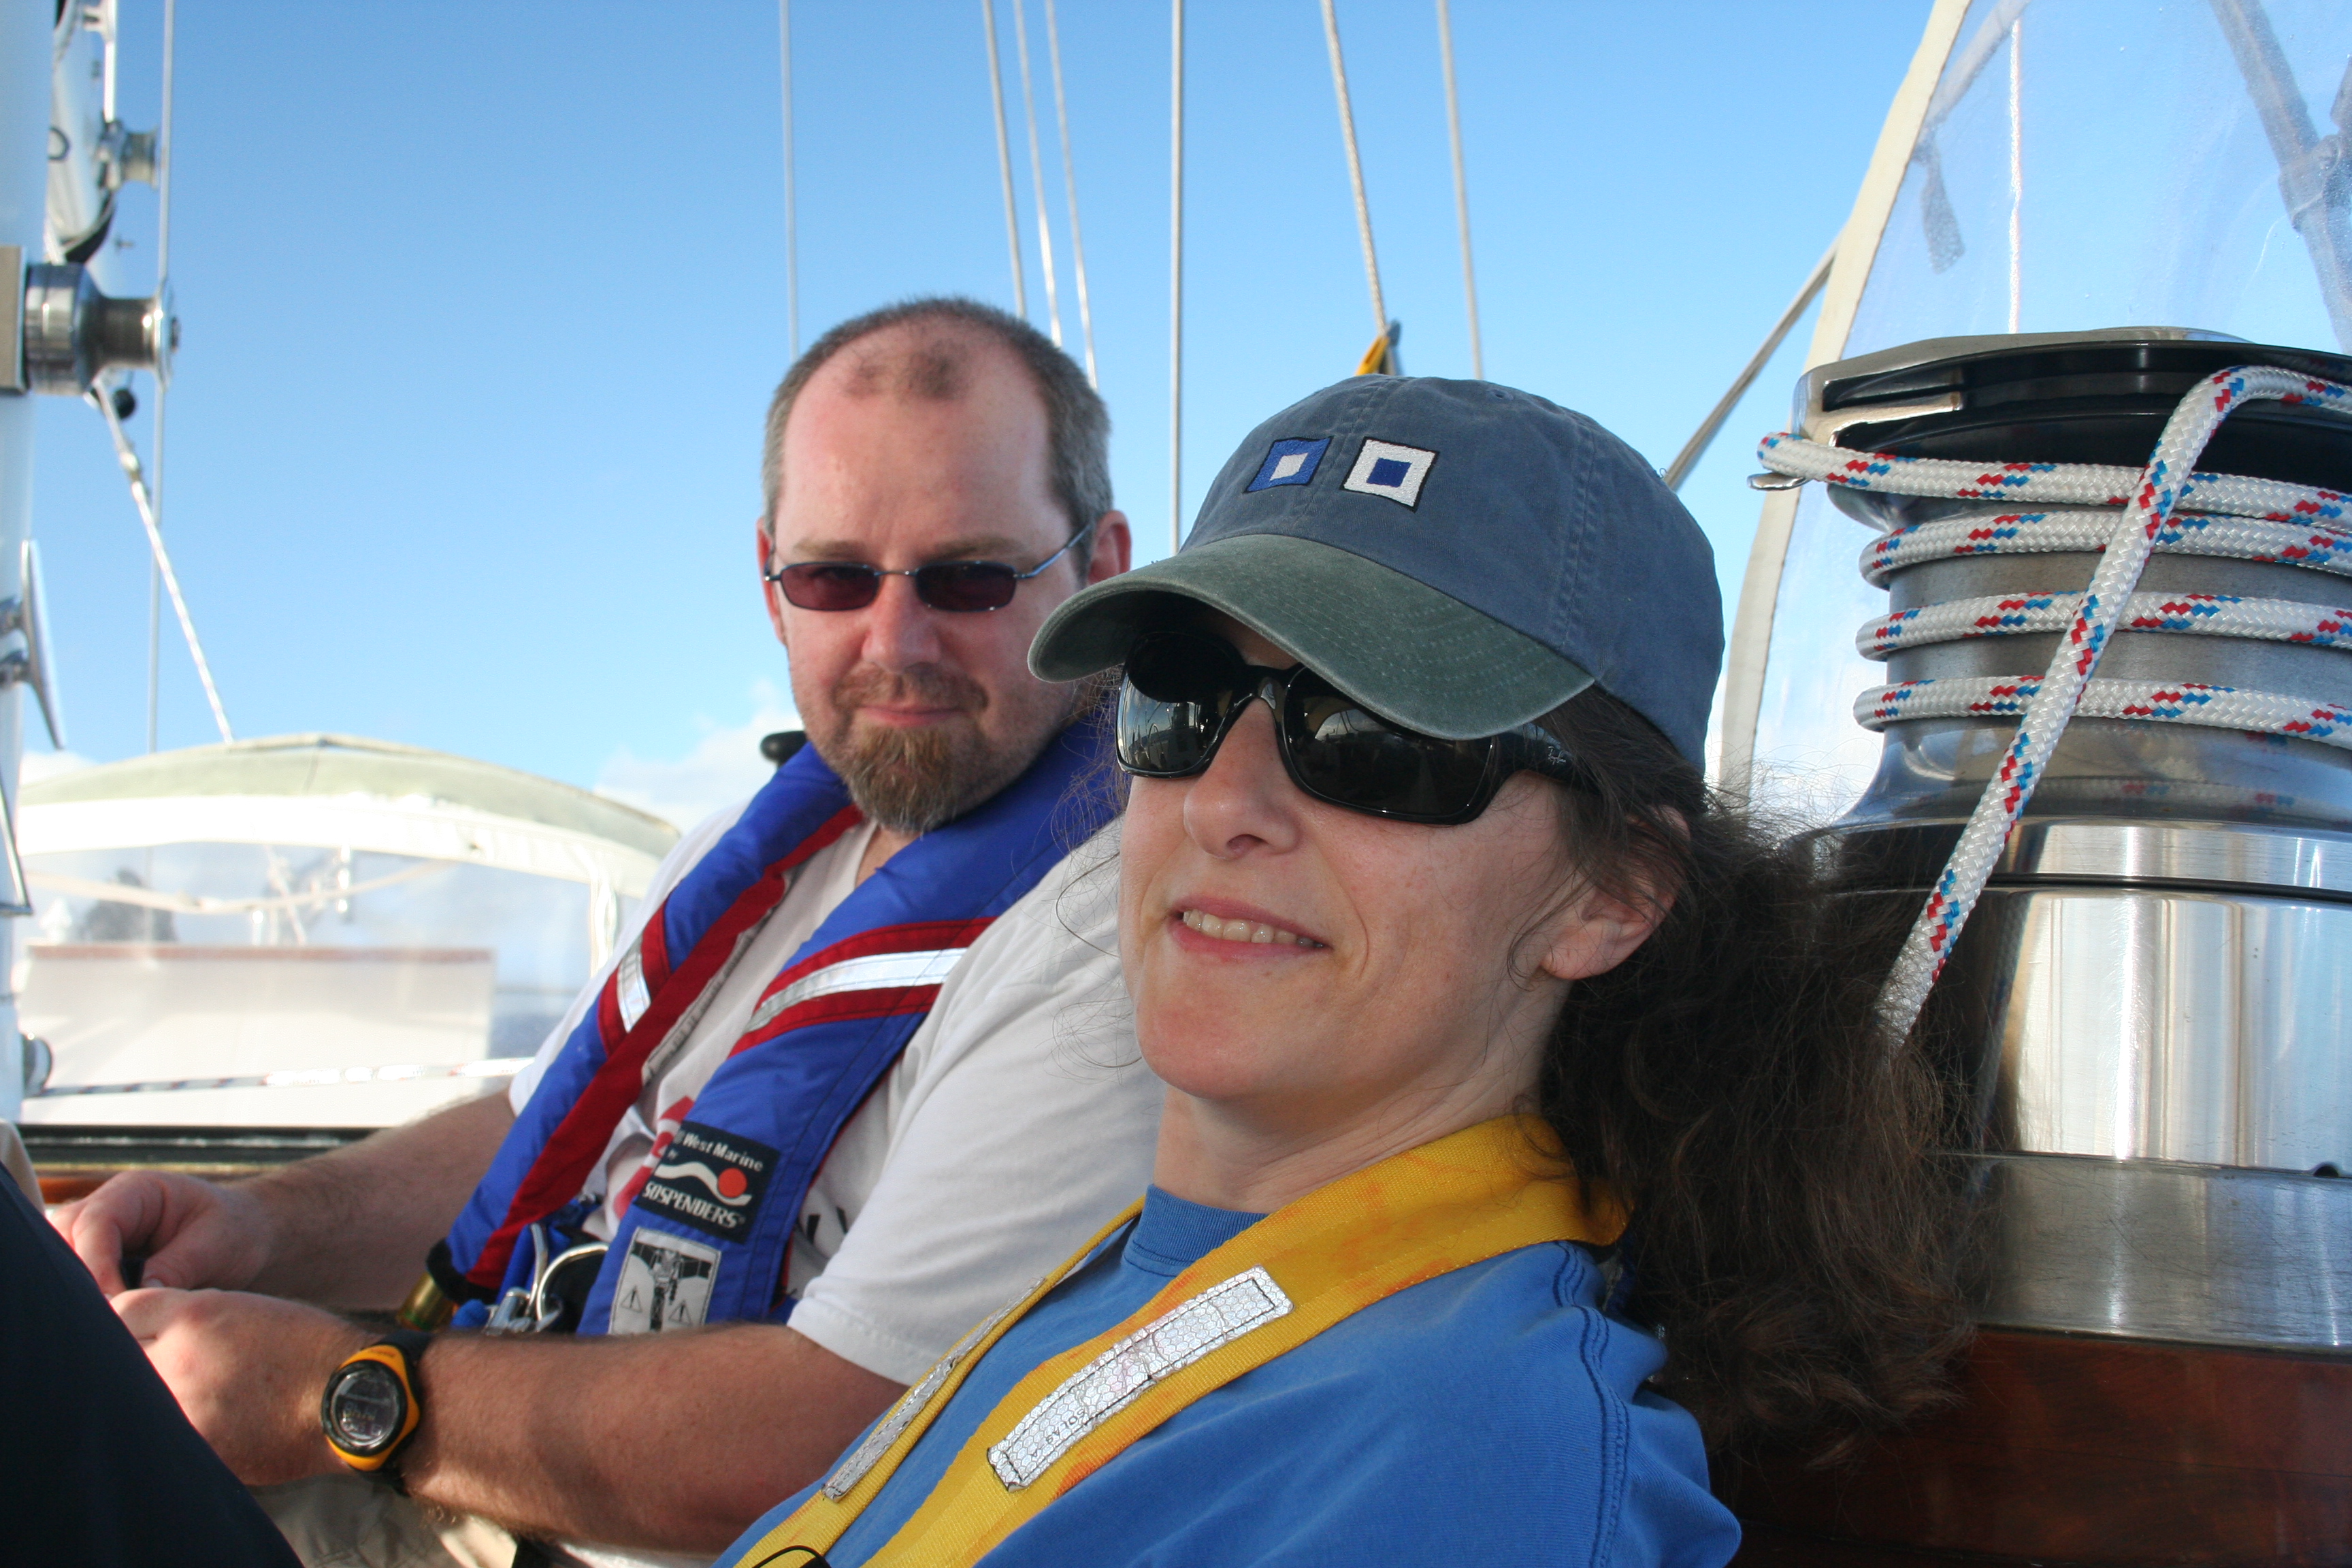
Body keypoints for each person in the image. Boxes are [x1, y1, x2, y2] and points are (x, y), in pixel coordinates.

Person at [719, 375, 1968, 1567]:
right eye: (1183, 702)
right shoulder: (1154, 1271)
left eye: (1372, 737)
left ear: (1616, 892)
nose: (1223, 804)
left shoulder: (1471, 1470)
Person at [50, 297, 1166, 1568]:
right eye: (834, 578)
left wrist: (341, 1396)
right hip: (483, 1486)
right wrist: (262, 1229)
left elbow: (848, 1440)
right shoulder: (754, 852)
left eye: (969, 578)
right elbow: (536, 1129)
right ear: (772, 585)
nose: (894, 642)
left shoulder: (1114, 930)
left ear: (1102, 568)